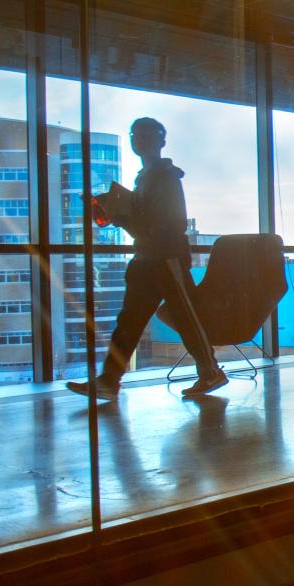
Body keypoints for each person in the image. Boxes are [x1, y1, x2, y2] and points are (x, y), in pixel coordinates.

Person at [69, 117, 227, 400]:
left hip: (165, 258)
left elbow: (169, 223)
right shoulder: (147, 178)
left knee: (183, 318)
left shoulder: (164, 178)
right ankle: (109, 380)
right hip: (148, 258)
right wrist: (123, 216)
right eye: (135, 135)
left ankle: (209, 371)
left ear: (160, 141)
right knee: (131, 321)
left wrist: (126, 217)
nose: (139, 140)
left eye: (146, 135)